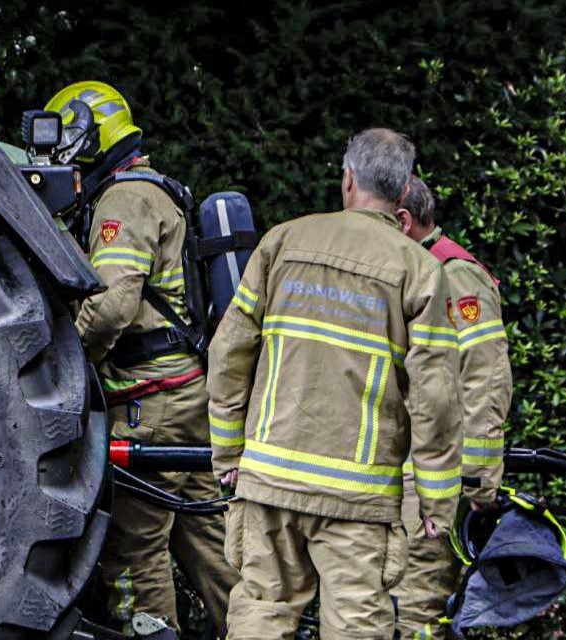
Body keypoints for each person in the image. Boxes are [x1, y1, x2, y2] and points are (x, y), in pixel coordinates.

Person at [207, 128, 462, 639]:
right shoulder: (419, 269)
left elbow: (229, 354)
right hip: (357, 495)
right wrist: (435, 501)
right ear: (403, 191)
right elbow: (434, 395)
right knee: (355, 625)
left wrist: (229, 455)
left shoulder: (282, 242)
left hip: (270, 479)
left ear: (348, 179)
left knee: (261, 611)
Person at [48, 80, 237, 637]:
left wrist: (69, 368)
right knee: (204, 536)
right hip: (185, 395)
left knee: (135, 544)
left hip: (149, 402)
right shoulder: (157, 189)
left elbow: (110, 307)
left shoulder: (124, 200)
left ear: (89, 131)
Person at [390, 175, 512, 640]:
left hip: (428, 482)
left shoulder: (454, 274)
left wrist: (476, 480)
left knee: (416, 608)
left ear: (403, 222)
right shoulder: (417, 270)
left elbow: (485, 377)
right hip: (402, 474)